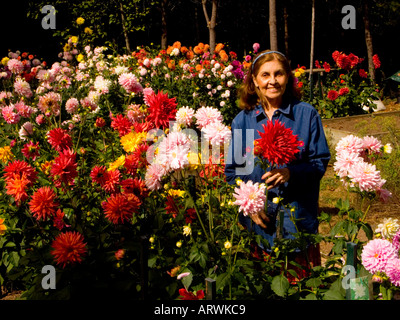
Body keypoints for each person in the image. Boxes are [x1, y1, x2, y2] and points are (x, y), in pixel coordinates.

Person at [225, 50, 331, 269]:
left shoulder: (306, 115)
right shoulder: (243, 121)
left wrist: (291, 173)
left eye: (279, 74)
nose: (272, 81)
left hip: (297, 221)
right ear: (254, 81)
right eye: (265, 75)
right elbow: (234, 173)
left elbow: (319, 162)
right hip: (259, 225)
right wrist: (250, 206)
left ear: (287, 78)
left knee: (300, 287)